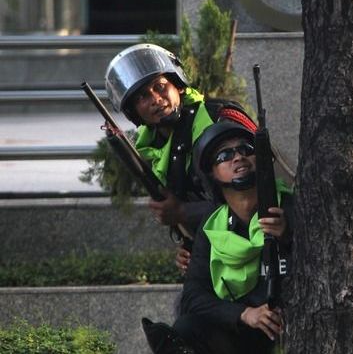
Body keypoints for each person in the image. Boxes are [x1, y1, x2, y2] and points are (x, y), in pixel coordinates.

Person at [142, 112, 292, 354]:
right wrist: (244, 314)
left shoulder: (291, 207)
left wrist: (288, 234)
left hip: (293, 330)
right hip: (243, 333)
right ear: (211, 173)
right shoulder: (214, 225)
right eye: (224, 155)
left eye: (246, 148)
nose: (238, 157)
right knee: (186, 327)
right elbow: (193, 294)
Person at [105, 43, 247, 255]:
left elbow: (252, 199)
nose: (155, 99)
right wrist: (191, 249)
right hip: (216, 256)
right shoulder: (155, 148)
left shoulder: (219, 119)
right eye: (142, 97)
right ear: (134, 112)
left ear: (178, 85)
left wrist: (182, 212)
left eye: (160, 86)